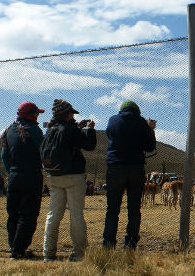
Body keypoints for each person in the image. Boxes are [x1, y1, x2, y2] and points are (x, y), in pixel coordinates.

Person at [42, 99, 96, 262]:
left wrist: (77, 128)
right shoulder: (71, 130)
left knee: (53, 215)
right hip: (73, 175)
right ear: (67, 114)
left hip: (54, 176)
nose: (73, 115)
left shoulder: (50, 130)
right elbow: (89, 145)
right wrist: (90, 130)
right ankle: (79, 253)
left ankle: (48, 253)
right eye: (72, 113)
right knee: (76, 215)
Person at [102, 100, 156, 250]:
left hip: (115, 167)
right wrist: (150, 129)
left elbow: (109, 135)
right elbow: (150, 146)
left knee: (112, 208)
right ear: (137, 111)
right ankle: (130, 243)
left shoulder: (112, 120)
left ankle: (108, 244)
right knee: (134, 209)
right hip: (135, 168)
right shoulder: (141, 123)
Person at [0, 101, 45, 259]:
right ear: (32, 114)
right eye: (37, 113)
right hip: (31, 175)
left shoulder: (8, 130)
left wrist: (11, 170)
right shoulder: (34, 130)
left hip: (13, 176)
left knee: (13, 213)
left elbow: (4, 155)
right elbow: (43, 151)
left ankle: (14, 247)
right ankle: (18, 251)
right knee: (28, 214)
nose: (38, 115)